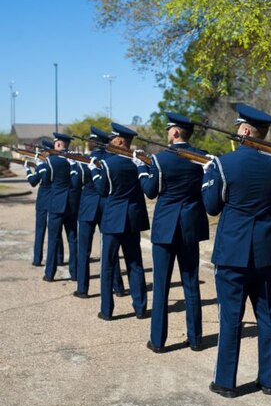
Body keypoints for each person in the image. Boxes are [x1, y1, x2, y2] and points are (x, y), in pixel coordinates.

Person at [202, 103, 271, 398]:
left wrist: (207, 179)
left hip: (232, 251)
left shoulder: (223, 164)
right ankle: (269, 380)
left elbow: (212, 207)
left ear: (243, 130)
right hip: (267, 249)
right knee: (268, 316)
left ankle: (226, 381)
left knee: (231, 317)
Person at [135, 113, 209, 352]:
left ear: (175, 132)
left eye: (169, 130)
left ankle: (158, 340)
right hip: (190, 225)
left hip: (166, 227)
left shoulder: (160, 160)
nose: (168, 133)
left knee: (161, 285)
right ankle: (196, 338)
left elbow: (150, 191)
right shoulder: (201, 157)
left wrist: (142, 169)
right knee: (190, 283)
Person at [89, 123, 149, 320]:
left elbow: (102, 190)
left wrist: (94, 172)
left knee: (108, 264)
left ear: (120, 141)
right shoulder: (139, 161)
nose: (110, 142)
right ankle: (140, 308)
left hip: (113, 218)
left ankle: (107, 310)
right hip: (132, 217)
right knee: (135, 263)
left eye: (113, 139)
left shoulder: (108, 164)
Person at [72, 127, 125, 299]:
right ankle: (118, 287)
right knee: (110, 249)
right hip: (106, 206)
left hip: (88, 206)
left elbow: (76, 182)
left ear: (93, 142)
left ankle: (83, 288)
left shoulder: (85, 160)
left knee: (84, 250)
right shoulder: (111, 158)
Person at [40, 133, 78, 282]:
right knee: (73, 239)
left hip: (56, 203)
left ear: (57, 144)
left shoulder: (51, 161)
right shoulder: (75, 160)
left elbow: (45, 180)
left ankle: (50, 273)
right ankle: (75, 273)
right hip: (71, 204)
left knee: (53, 239)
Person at [24, 139, 64, 267]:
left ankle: (37, 259)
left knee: (40, 230)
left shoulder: (45, 165)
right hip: (54, 199)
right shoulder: (54, 163)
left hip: (43, 199)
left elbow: (33, 181)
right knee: (56, 232)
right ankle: (59, 258)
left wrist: (28, 170)